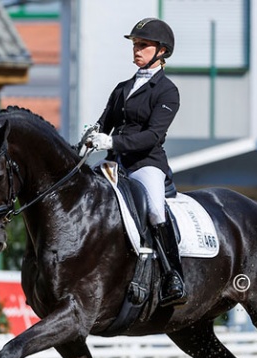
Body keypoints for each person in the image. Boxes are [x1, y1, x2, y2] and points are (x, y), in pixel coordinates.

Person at [86, 17, 186, 307]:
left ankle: (173, 275)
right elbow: (103, 124)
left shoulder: (167, 91)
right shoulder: (122, 88)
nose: (136, 50)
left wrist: (113, 142)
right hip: (115, 164)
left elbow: (152, 136)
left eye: (143, 45)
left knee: (155, 209)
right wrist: (92, 138)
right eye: (135, 45)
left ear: (162, 51)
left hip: (146, 163)